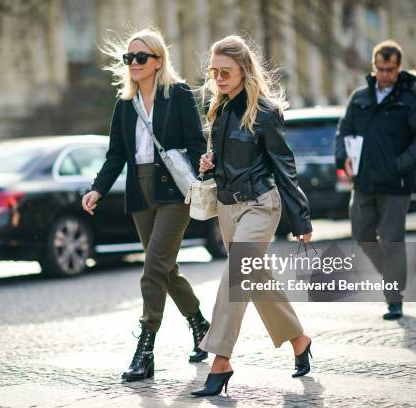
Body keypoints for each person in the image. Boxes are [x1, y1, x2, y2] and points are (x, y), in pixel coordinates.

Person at [81, 28, 210, 381]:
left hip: (174, 192)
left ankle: (145, 348)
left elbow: (197, 143)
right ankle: (200, 324)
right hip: (140, 193)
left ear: (158, 61)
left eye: (141, 57)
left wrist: (207, 176)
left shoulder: (178, 94)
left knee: (153, 266)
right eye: (129, 58)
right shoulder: (124, 104)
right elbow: (116, 155)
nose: (133, 64)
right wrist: (98, 189)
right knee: (165, 268)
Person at [191, 35, 313, 397]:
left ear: (244, 70)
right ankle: (299, 340)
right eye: (214, 72)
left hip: (261, 205)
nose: (219, 78)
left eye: (225, 71)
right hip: (228, 209)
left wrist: (301, 219)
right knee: (255, 281)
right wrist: (209, 165)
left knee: (234, 277)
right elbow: (226, 164)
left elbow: (284, 167)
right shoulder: (220, 109)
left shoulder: (264, 112)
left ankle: (219, 360)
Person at [335, 39, 416, 320]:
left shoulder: (412, 98)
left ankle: (394, 297)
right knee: (361, 234)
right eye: (379, 69)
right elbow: (343, 132)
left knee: (392, 240)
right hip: (364, 180)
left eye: (390, 70)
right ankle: (394, 277)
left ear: (398, 67)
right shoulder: (360, 97)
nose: (384, 75)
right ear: (373, 67)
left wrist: (401, 164)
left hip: (397, 183)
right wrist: (343, 158)